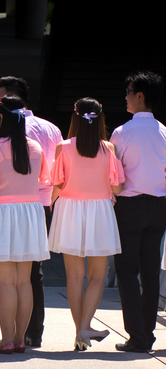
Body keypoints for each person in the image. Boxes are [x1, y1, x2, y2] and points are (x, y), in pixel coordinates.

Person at [0, 96, 50, 354]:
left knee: (5, 283)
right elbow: (44, 180)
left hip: (0, 213)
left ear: (0, 118)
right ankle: (20, 338)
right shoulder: (35, 147)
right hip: (30, 213)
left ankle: (6, 340)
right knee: (24, 281)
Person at [48, 98, 124, 351]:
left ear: (75, 118)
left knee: (74, 275)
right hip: (100, 210)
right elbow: (118, 187)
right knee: (97, 275)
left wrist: (50, 206)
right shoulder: (108, 148)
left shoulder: (63, 147)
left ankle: (81, 330)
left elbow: (56, 184)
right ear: (100, 118)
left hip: (69, 209)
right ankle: (85, 326)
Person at [0, 76, 62, 347]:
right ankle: (32, 333)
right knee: (34, 272)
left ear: (12, 99)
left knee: (9, 277)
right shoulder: (51, 129)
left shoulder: (7, 130)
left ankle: (10, 336)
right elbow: (56, 172)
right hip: (40, 205)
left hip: (8, 205)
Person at [110, 71, 166, 353]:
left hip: (129, 206)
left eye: (129, 91)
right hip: (159, 206)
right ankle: (147, 333)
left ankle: (137, 336)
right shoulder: (165, 132)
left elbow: (114, 175)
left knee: (127, 271)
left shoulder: (122, 132)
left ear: (140, 95)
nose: (126, 96)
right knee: (151, 272)